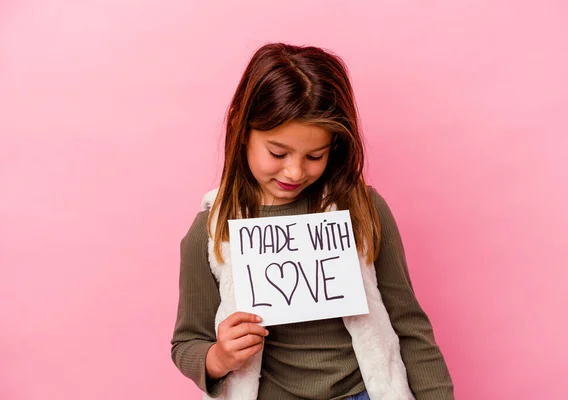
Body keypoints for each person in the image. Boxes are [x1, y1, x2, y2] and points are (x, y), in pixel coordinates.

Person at [170, 42, 454, 400]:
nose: (294, 171)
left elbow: (409, 325)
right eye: (277, 152)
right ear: (241, 131)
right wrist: (216, 357)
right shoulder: (211, 232)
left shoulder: (363, 210)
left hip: (362, 392)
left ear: (334, 146)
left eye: (314, 155)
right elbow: (186, 342)